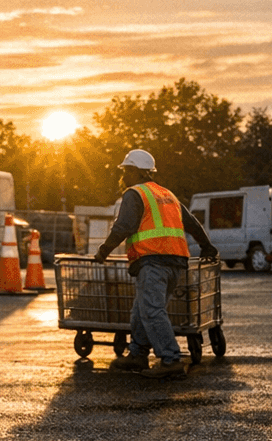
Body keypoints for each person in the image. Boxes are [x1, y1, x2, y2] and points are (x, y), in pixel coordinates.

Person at [93, 149, 219, 380]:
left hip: (153, 260)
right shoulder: (167, 194)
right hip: (176, 261)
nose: (122, 176)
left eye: (125, 171)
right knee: (142, 309)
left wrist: (103, 251)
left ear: (134, 172)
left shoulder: (134, 193)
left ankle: (170, 359)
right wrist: (207, 246)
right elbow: (191, 223)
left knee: (151, 310)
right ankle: (138, 354)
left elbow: (124, 227)